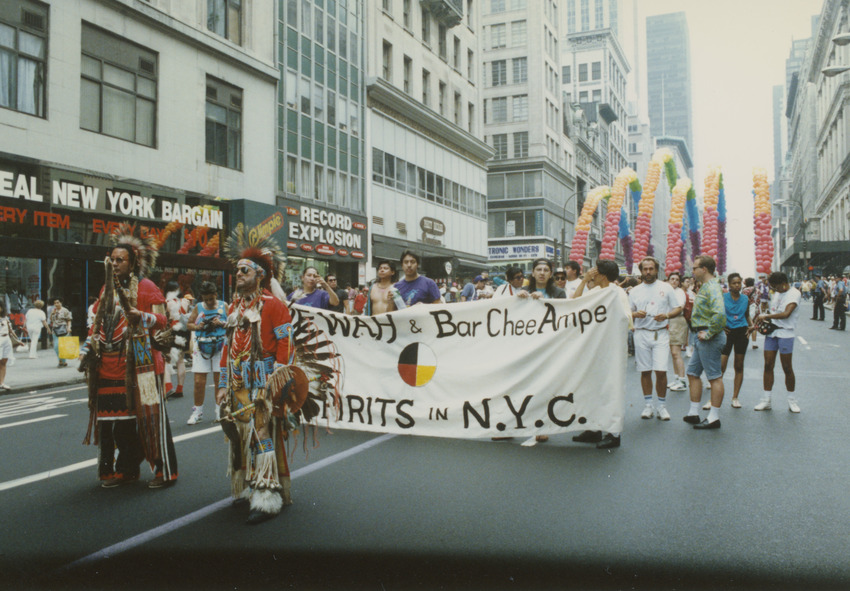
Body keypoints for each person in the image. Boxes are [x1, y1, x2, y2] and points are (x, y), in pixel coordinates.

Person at [80, 229, 178, 488]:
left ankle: (164, 470)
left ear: (133, 262)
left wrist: (141, 317)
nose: (114, 264)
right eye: (112, 259)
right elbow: (98, 323)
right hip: (110, 366)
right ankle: (126, 468)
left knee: (151, 420)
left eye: (120, 260)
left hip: (143, 365)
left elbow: (163, 320)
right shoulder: (106, 289)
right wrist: (87, 347)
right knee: (117, 422)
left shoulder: (147, 287)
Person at [216, 230, 298, 525]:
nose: (238, 274)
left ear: (260, 276)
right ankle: (251, 485)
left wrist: (275, 380)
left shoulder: (274, 306)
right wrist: (223, 385)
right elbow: (227, 349)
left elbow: (286, 346)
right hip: (239, 382)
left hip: (264, 383)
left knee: (262, 433)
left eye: (244, 270)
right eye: (237, 269)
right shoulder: (234, 307)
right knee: (242, 436)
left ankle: (267, 497)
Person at [570, 259, 633, 449]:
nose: (592, 275)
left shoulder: (617, 293)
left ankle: (613, 433)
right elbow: (574, 305)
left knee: (610, 389)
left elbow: (626, 319)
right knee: (592, 388)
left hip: (610, 350)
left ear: (602, 275)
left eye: (594, 272)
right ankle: (593, 428)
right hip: (593, 350)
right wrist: (583, 282)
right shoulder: (596, 292)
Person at [628, 257, 682, 421]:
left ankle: (662, 406)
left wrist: (666, 315)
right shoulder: (635, 291)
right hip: (641, 333)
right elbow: (628, 312)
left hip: (660, 333)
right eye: (645, 269)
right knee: (645, 371)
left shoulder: (666, 288)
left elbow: (678, 308)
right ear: (641, 270)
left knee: (661, 371)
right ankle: (648, 405)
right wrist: (636, 314)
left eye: (651, 269)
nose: (648, 272)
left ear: (656, 269)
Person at [517, 258, 565, 443]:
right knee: (522, 385)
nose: (542, 273)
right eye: (539, 269)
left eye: (546, 269)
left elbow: (563, 314)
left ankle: (542, 425)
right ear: (533, 272)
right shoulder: (523, 292)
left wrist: (544, 301)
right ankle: (514, 424)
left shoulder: (559, 293)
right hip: (526, 346)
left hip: (549, 346)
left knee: (544, 386)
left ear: (551, 274)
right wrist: (518, 299)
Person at [682, 255, 727, 429]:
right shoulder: (706, 286)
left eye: (695, 268)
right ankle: (694, 412)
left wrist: (709, 333)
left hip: (709, 338)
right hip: (701, 336)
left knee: (714, 377)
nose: (692, 271)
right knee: (693, 373)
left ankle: (714, 417)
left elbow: (719, 314)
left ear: (704, 269)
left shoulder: (712, 287)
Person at [754, 272, 802, 413]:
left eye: (775, 287)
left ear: (783, 283)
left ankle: (792, 400)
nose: (773, 289)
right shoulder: (776, 293)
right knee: (768, 365)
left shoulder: (794, 294)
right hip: (772, 333)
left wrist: (766, 315)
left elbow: (786, 314)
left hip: (786, 333)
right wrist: (759, 323)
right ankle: (766, 400)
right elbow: (773, 311)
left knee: (787, 367)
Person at [185, 281, 227, 425]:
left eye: (211, 298)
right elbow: (189, 324)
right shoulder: (198, 307)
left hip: (220, 345)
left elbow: (234, 323)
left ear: (216, 295)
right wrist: (198, 326)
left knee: (218, 380)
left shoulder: (224, 306)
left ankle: (219, 410)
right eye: (206, 299)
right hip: (202, 345)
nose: (209, 302)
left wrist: (221, 323)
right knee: (198, 381)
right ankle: (197, 412)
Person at [718, 273, 755, 409]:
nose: (737, 285)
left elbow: (746, 315)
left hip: (741, 332)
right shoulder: (723, 297)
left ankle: (735, 397)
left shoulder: (745, 298)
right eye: (734, 283)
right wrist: (720, 327)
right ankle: (716, 397)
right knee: (721, 367)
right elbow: (716, 313)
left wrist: (751, 327)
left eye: (739, 283)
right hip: (727, 332)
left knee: (739, 366)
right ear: (729, 284)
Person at [164, 282, 190, 400]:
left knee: (166, 360)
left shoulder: (167, 303)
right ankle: (180, 388)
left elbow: (166, 319)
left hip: (172, 331)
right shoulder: (184, 302)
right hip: (183, 332)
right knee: (180, 361)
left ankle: (168, 386)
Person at [666, 272, 688, 392]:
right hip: (670, 321)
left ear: (679, 282)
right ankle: (676, 379)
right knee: (673, 353)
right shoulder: (669, 291)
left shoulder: (679, 293)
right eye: (672, 279)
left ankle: (682, 381)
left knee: (676, 352)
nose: (674, 281)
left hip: (677, 321)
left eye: (676, 279)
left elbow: (680, 307)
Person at [0, 303, 25, 390]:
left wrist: (18, 341)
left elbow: (11, 331)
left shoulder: (5, 318)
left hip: (6, 339)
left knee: (4, 361)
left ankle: (2, 383)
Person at [50, 298, 73, 367]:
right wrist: (52, 314)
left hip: (63, 329)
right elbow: (51, 320)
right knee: (56, 346)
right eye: (55, 303)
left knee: (62, 346)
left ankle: (61, 361)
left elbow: (69, 320)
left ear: (61, 303)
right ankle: (62, 360)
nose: (56, 304)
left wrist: (69, 327)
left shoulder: (65, 310)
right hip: (55, 330)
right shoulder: (53, 310)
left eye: (58, 302)